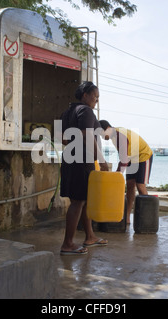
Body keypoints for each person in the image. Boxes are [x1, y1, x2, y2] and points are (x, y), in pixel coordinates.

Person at [59, 82, 109, 256]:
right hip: (81, 161)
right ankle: (68, 244)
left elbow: (63, 139)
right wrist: (101, 160)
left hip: (69, 159)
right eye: (95, 96)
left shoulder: (67, 112)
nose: (96, 100)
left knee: (83, 199)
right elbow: (88, 136)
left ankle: (90, 236)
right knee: (78, 202)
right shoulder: (86, 111)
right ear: (85, 95)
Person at [99, 120, 153, 226]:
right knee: (130, 186)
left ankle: (147, 218)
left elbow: (123, 161)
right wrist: (117, 173)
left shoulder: (120, 136)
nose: (102, 137)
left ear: (108, 128)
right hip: (131, 158)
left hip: (143, 156)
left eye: (102, 134)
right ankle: (127, 216)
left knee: (140, 185)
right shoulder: (114, 135)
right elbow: (123, 158)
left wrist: (116, 176)